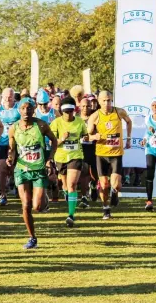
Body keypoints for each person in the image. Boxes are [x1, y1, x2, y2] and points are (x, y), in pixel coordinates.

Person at [8, 97, 57, 249]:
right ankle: (32, 238)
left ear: (33, 109)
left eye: (29, 108)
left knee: (37, 207)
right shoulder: (14, 128)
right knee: (26, 205)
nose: (26, 111)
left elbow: (54, 141)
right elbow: (12, 149)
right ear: (19, 110)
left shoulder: (41, 125)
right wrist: (10, 158)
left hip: (38, 169)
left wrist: (50, 159)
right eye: (23, 108)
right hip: (21, 170)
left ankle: (44, 199)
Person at [87, 91, 132, 219]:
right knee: (104, 184)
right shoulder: (95, 116)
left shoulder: (119, 112)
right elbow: (88, 135)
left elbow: (129, 122)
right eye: (104, 101)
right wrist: (94, 135)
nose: (107, 103)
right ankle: (106, 208)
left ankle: (114, 193)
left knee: (116, 184)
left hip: (116, 153)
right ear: (99, 101)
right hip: (101, 154)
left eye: (109, 100)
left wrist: (128, 138)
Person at [50, 97, 88, 227]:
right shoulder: (56, 123)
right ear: (61, 111)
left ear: (74, 110)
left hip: (75, 156)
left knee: (72, 184)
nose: (68, 114)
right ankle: (68, 196)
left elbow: (85, 135)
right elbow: (52, 143)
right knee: (65, 186)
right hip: (60, 157)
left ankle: (71, 215)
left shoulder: (80, 122)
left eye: (70, 111)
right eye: (65, 112)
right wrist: (62, 138)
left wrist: (86, 137)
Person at [35, 89, 61, 202]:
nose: (43, 107)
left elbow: (62, 125)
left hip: (52, 145)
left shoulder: (54, 113)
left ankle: (55, 191)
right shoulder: (35, 113)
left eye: (45, 104)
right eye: (41, 104)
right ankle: (43, 195)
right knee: (41, 171)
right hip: (39, 146)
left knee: (51, 172)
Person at [0, 88, 20, 206]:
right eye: (5, 96)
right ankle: (3, 194)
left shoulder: (19, 108)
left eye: (10, 96)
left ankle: (14, 185)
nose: (7, 98)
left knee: (14, 167)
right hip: (2, 143)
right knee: (2, 168)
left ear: (13, 97)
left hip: (16, 143)